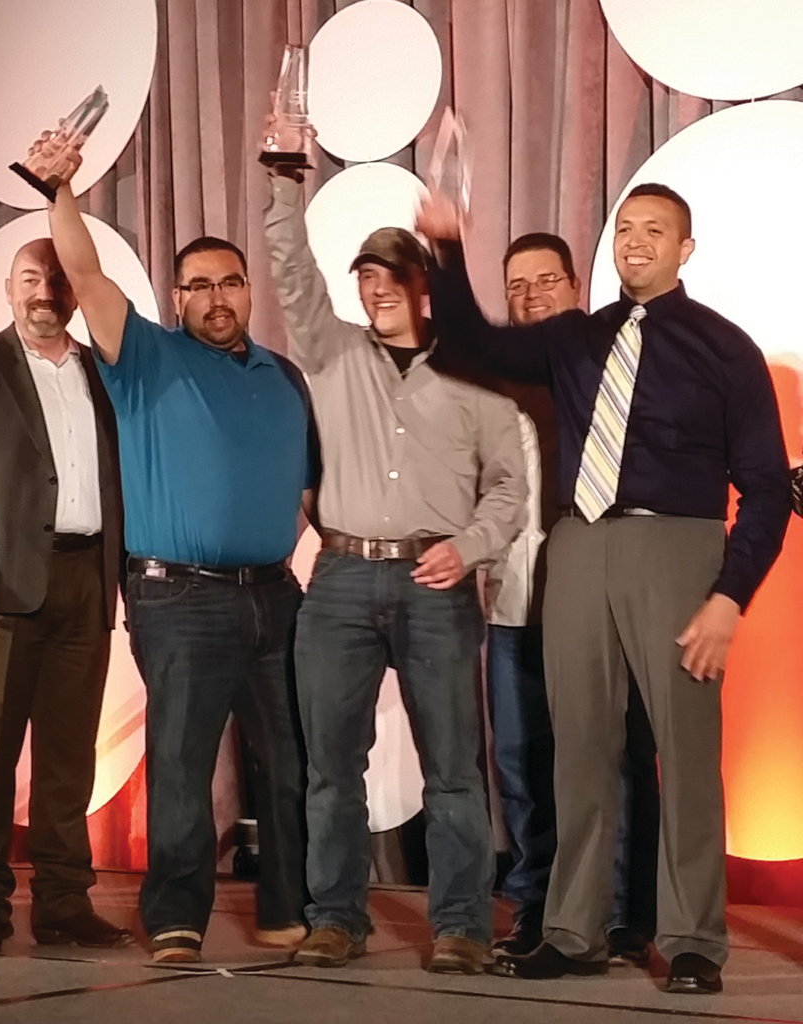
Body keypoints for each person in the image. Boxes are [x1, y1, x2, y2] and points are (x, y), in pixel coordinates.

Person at [419, 183, 791, 994]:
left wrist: (729, 597)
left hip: (678, 547)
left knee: (685, 754)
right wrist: (446, 249)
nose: (635, 242)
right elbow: (472, 339)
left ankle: (692, 938)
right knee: (579, 747)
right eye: (625, 229)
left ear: (684, 250)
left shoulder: (726, 348)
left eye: (655, 231)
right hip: (579, 546)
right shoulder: (575, 340)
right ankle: (571, 929)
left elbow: (765, 487)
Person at [35, 133, 314, 964]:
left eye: (230, 281)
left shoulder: (284, 375)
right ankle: (176, 915)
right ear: (176, 300)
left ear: (249, 290)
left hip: (273, 593)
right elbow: (84, 273)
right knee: (183, 762)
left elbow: (309, 492)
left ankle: (287, 903)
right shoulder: (143, 355)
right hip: (178, 597)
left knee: (292, 760)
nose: (217, 296)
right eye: (198, 285)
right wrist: (61, 191)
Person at [262, 148, 526, 974]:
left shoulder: (474, 374)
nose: (373, 290)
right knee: (331, 769)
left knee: (453, 769)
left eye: (389, 276)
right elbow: (289, 266)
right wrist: (281, 177)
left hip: (433, 585)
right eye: (364, 278)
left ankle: (460, 927)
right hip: (339, 578)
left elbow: (510, 491)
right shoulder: (333, 351)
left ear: (422, 284)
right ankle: (336, 917)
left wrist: (471, 547)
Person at [0, 236, 129, 956]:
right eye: (31, 279)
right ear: (9, 289)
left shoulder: (103, 371)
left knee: (71, 759)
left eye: (58, 280)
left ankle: (65, 903)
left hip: (85, 581)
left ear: (76, 292)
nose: (46, 292)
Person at [486, 233, 659, 968]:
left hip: (599, 599)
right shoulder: (484, 378)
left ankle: (622, 913)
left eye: (545, 282)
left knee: (611, 758)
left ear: (575, 286)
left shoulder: (615, 366)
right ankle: (536, 906)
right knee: (522, 761)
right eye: (517, 286)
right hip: (512, 601)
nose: (531, 297)